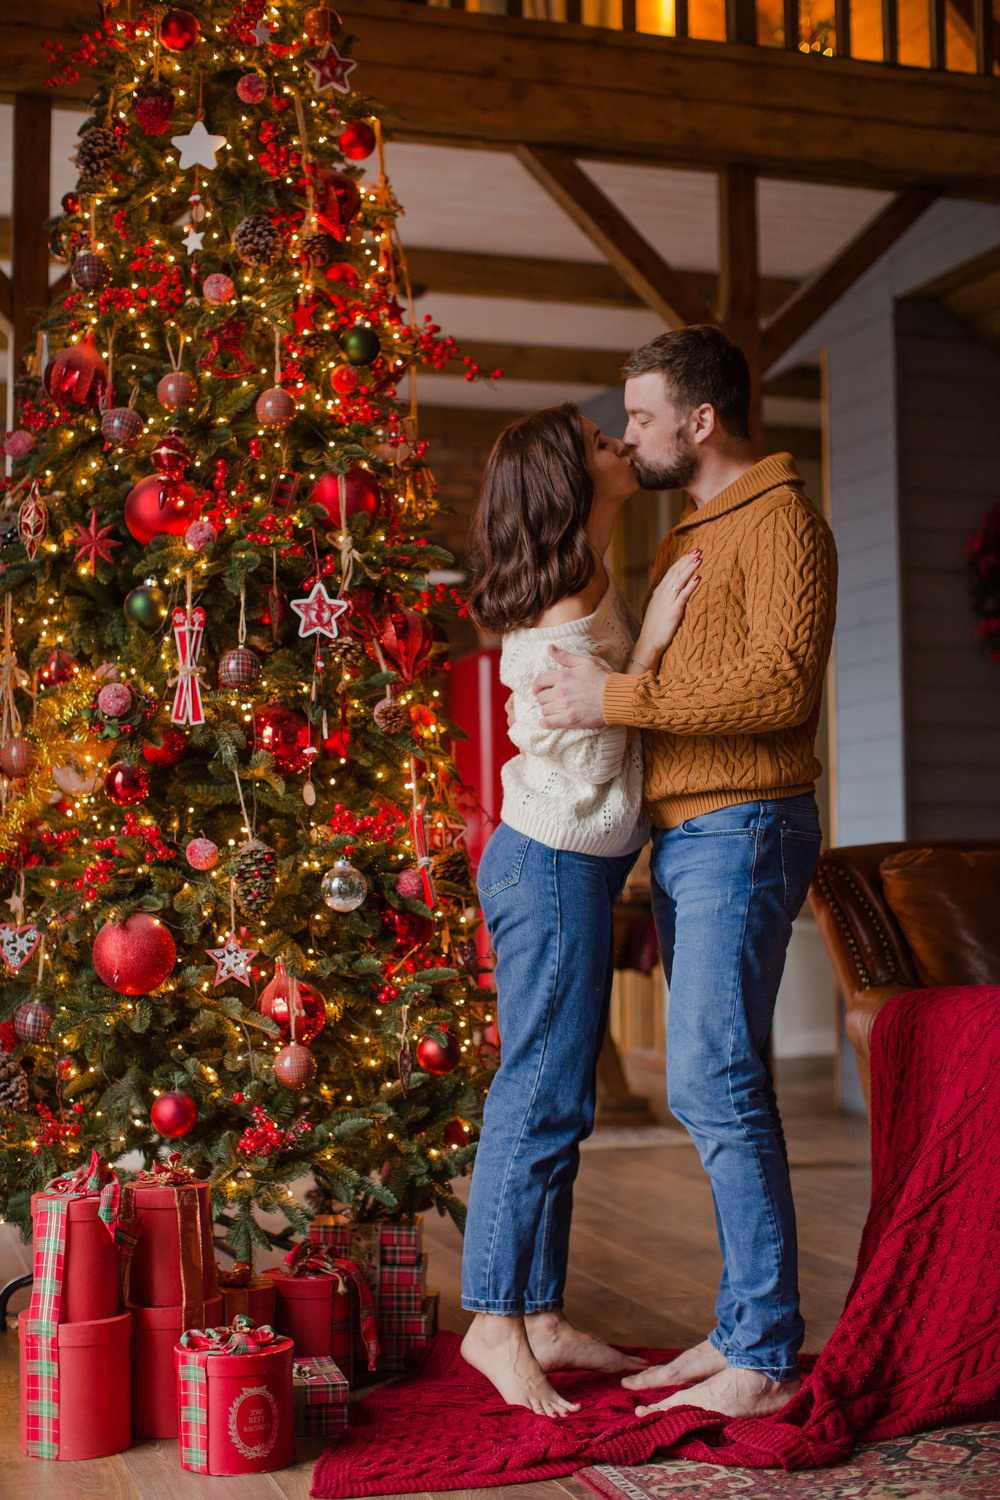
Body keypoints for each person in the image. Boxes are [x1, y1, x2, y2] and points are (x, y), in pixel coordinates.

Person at [533, 327, 838, 1420]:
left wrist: (616, 698)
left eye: (644, 418)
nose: (631, 436)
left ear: (699, 422)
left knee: (714, 1083)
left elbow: (778, 694)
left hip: (747, 826)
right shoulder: (685, 536)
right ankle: (739, 1327)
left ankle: (759, 1349)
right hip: (690, 835)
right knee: (710, 1080)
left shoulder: (783, 523)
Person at [460, 403, 700, 1416]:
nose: (620, 444)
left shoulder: (585, 574)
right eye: (603, 440)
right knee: (540, 1097)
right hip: (549, 865)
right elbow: (600, 743)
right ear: (572, 476)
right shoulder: (567, 604)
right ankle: (493, 1322)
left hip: (571, 866)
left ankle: (541, 1316)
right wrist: (648, 648)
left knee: (565, 1098)